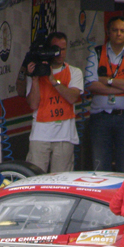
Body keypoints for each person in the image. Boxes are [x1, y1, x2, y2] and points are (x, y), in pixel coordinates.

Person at [84, 16, 124, 173]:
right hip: (100, 117)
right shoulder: (96, 53)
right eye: (115, 30)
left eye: (122, 31)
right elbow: (90, 84)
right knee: (100, 167)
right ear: (108, 32)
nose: (118, 33)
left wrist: (107, 81)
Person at [25, 31, 83, 173]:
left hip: (65, 136)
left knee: (61, 180)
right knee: (35, 178)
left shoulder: (74, 72)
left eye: (63, 49)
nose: (60, 53)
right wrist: (35, 79)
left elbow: (72, 97)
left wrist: (53, 81)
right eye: (56, 49)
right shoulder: (37, 72)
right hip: (40, 135)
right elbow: (33, 104)